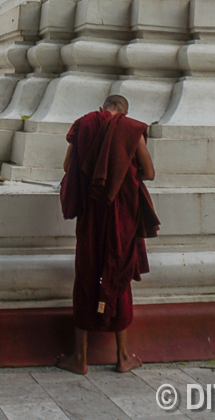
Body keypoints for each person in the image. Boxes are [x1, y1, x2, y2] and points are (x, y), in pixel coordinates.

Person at [58, 94, 159, 375]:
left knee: (87, 277)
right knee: (118, 276)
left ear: (103, 108)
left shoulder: (84, 125)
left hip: (91, 218)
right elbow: (149, 173)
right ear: (125, 113)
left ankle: (80, 357)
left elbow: (68, 167)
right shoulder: (131, 129)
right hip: (121, 220)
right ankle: (123, 357)